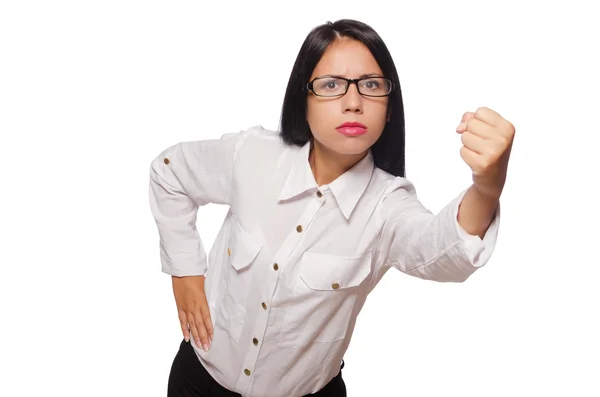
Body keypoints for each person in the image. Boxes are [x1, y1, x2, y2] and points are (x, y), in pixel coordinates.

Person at [148, 18, 513, 397]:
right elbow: (169, 173)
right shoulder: (252, 155)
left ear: (389, 109)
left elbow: (441, 251)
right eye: (332, 85)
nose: (353, 102)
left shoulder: (388, 207)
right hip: (199, 381)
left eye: (371, 85)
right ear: (302, 102)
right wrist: (185, 271)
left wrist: (487, 186)